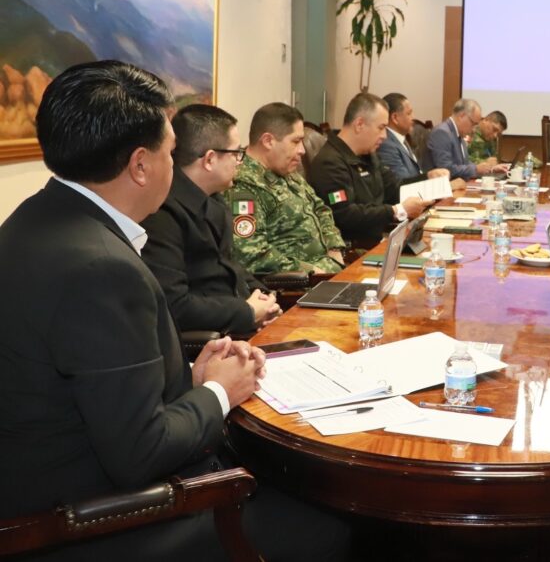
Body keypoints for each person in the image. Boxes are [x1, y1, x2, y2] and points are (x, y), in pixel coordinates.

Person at [0, 60, 348, 560]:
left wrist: (189, 375)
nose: (174, 164)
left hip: (48, 483)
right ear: (141, 165)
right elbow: (141, 452)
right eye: (169, 151)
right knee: (332, 521)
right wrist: (217, 393)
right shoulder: (100, 268)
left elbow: (96, 382)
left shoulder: (37, 219)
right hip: (91, 522)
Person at [141, 104, 281, 335]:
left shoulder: (214, 199)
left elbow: (229, 266)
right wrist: (246, 312)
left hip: (239, 325)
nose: (240, 161)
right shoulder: (161, 213)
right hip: (213, 343)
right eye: (237, 153)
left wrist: (266, 300)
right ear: (209, 159)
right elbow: (175, 305)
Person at [226, 103, 345, 275]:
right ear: (268, 141)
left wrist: (334, 247)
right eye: (295, 141)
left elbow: (320, 208)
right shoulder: (243, 184)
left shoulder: (286, 170)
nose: (302, 150)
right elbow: (251, 254)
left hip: (329, 269)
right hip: (295, 285)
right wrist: (312, 271)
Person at [307, 92, 432, 248]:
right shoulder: (329, 162)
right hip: (354, 249)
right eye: (381, 128)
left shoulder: (368, 155)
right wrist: (396, 210)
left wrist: (429, 185)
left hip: (380, 240)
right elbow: (344, 215)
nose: (384, 136)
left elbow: (394, 188)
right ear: (359, 124)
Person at [423, 98, 507, 180]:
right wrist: (475, 169)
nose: (474, 129)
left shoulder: (459, 133)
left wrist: (490, 168)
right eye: (473, 124)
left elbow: (465, 163)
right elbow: (446, 169)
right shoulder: (442, 133)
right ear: (461, 116)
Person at [377, 92, 451, 184]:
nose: (413, 117)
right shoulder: (387, 145)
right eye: (409, 113)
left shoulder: (402, 138)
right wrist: (429, 176)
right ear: (395, 118)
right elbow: (402, 183)